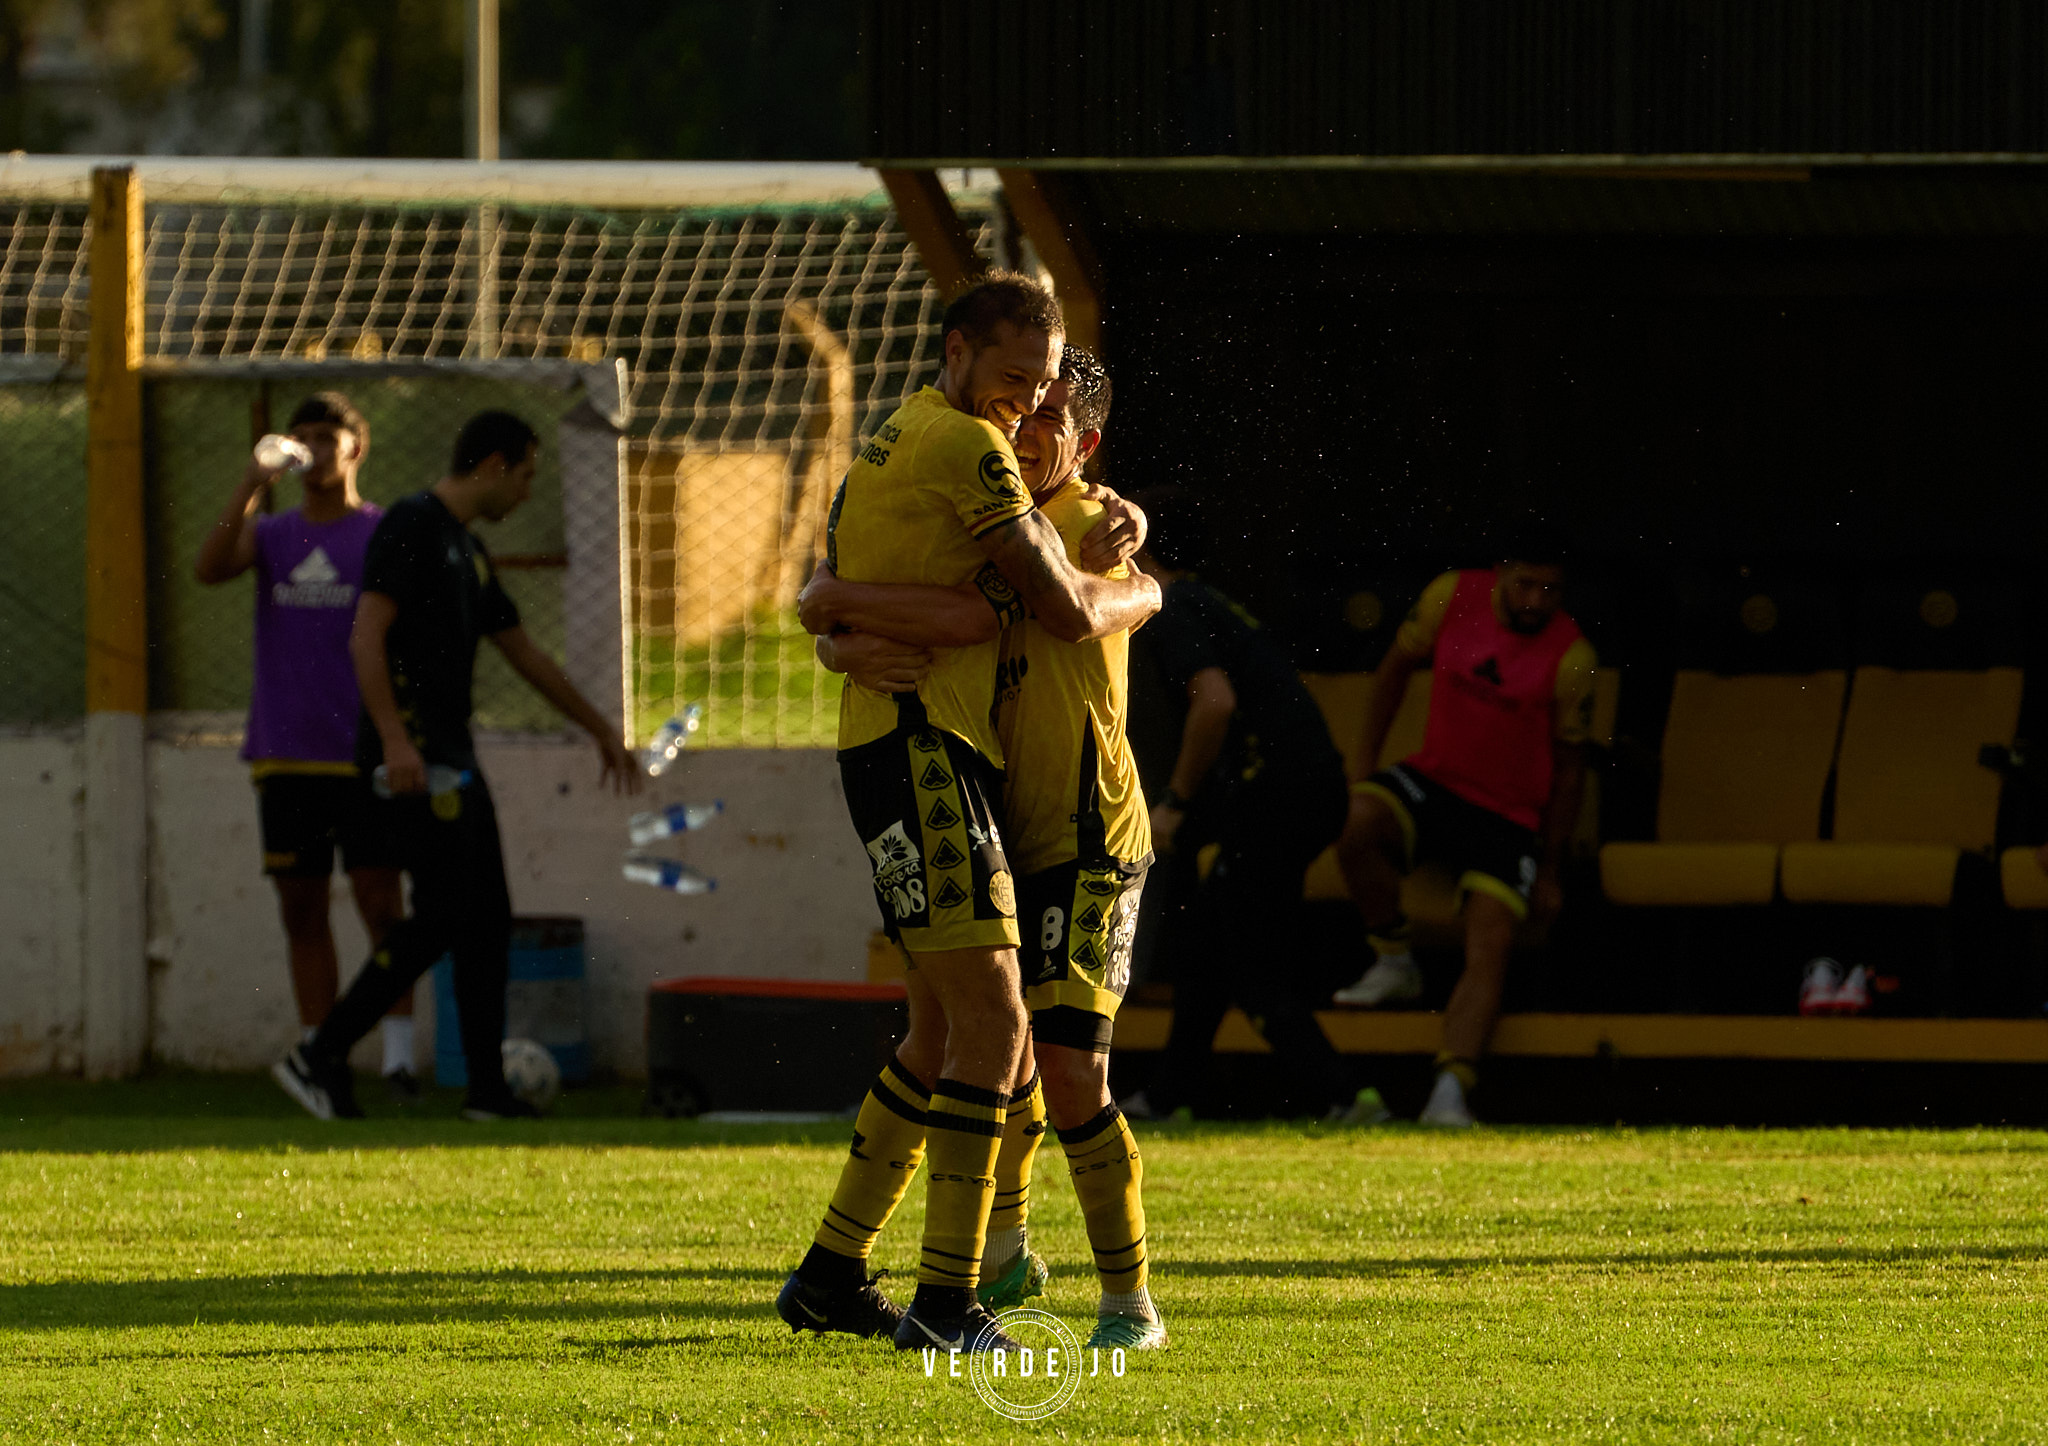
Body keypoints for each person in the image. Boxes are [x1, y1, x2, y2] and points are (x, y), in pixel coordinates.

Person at [772, 274, 1160, 1357]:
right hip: (919, 752)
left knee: (956, 1033)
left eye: (1045, 401)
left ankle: (841, 1273)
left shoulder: (918, 438)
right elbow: (1015, 606)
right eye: (1013, 388)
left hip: (1047, 811)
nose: (1025, 416)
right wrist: (828, 615)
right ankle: (950, 1298)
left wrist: (829, 608)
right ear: (955, 353)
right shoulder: (964, 452)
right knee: (993, 1030)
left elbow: (983, 594)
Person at [271, 410, 638, 1122]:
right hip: (412, 760)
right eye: (527, 475)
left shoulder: (466, 549)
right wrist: (396, 740)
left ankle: (487, 1092)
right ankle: (319, 1054)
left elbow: (523, 651)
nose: (529, 493)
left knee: (486, 917)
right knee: (440, 915)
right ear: (495, 465)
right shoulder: (410, 524)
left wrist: (601, 730)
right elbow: (365, 637)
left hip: (452, 757)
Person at [1116, 499, 1372, 1126]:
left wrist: (1173, 803)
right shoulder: (1207, 601)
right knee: (1209, 943)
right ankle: (1168, 1097)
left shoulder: (1171, 607)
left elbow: (1215, 704)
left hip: (1280, 802)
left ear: (1139, 554)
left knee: (1250, 963)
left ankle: (1347, 1095)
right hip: (1301, 796)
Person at [1332, 524, 1595, 1127]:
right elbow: (1393, 672)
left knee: (1491, 941)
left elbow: (1572, 774)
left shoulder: (1574, 658)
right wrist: (1362, 767)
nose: (1536, 601)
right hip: (1438, 783)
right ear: (1501, 572)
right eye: (1525, 584)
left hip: (1507, 814)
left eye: (1551, 590)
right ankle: (1392, 958)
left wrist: (1550, 870)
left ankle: (1449, 1092)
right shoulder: (1450, 596)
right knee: (1353, 819)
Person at [194, 392, 418, 1097]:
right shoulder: (273, 534)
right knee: (303, 910)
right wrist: (251, 483)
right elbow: (208, 567)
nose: (315, 449)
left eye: (329, 436)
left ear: (357, 448)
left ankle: (402, 1059)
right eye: (304, 438)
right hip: (285, 751)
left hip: (362, 753)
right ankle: (321, 1061)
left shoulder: (383, 534)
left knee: (382, 904)